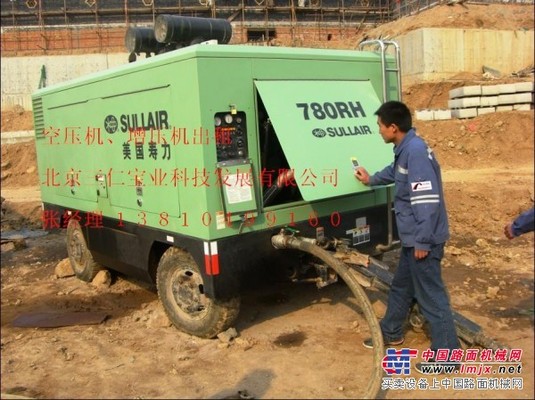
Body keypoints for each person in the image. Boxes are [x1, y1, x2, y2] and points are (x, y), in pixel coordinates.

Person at [354, 101, 460, 372]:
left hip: (422, 241)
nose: (378, 130)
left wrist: (423, 242)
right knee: (401, 286)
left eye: (380, 125)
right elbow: (395, 173)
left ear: (393, 127)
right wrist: (371, 179)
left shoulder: (415, 153)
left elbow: (427, 201)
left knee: (432, 297)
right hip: (413, 240)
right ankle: (391, 332)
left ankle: (448, 356)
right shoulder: (405, 150)